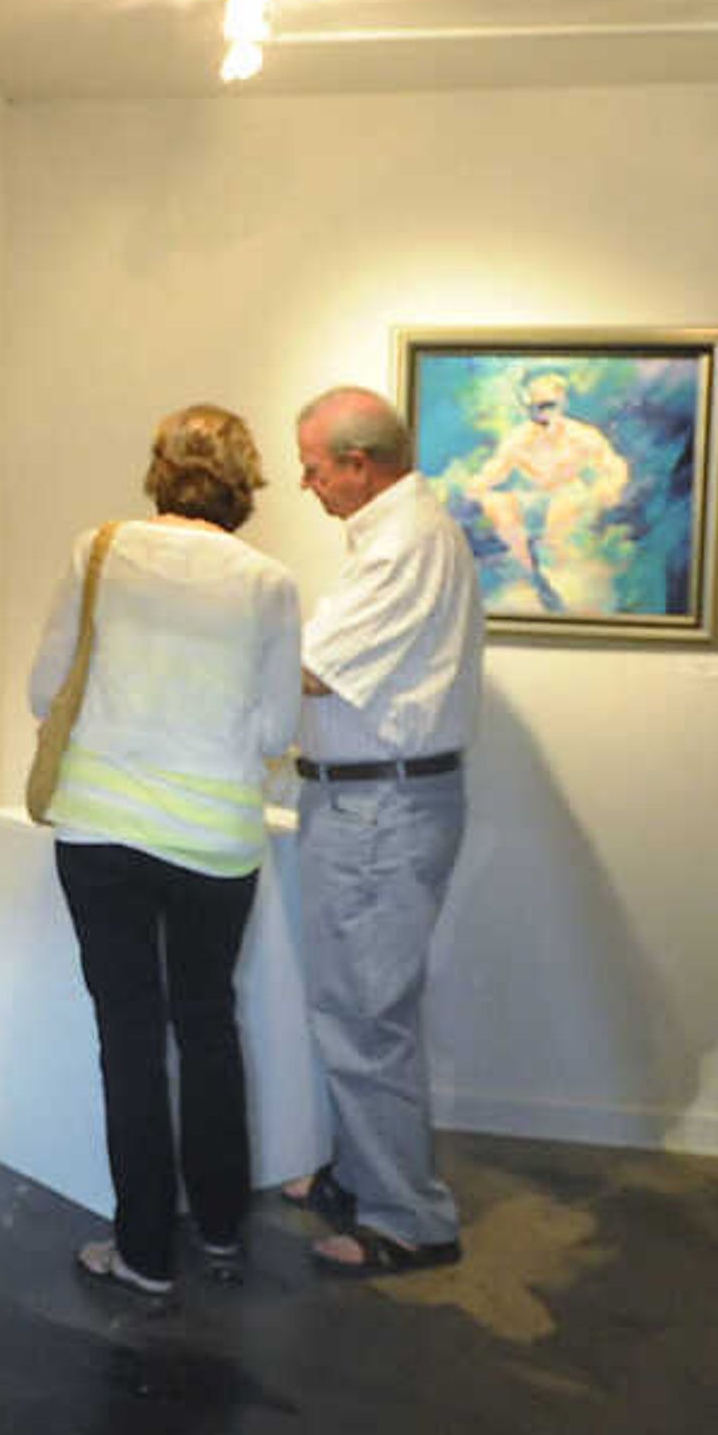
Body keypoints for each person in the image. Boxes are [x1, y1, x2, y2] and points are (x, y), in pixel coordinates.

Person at [25, 404, 306, 1302]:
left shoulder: (100, 551)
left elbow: (44, 690)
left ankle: (144, 1249)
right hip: (215, 837)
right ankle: (221, 1226)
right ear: (244, 482)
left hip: (102, 827)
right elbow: (278, 725)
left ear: (159, 468)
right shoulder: (268, 583)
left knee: (130, 1037)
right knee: (208, 1021)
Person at [285, 385, 486, 1276]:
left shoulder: (404, 543)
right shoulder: (398, 535)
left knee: (367, 1012)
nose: (306, 482)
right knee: (353, 1002)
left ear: (361, 466)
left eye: (317, 465)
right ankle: (364, 1174)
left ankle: (408, 1217)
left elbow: (315, 672)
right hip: (369, 800)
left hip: (379, 807)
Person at [460, 366, 633, 613]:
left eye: (547, 406)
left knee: (565, 503)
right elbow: (494, 471)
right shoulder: (519, 438)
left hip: (571, 500)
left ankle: (559, 573)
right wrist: (474, 488)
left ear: (561, 402)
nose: (541, 414)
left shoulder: (581, 435)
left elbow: (614, 466)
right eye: (535, 407)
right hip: (531, 500)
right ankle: (532, 571)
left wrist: (606, 489)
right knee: (498, 503)